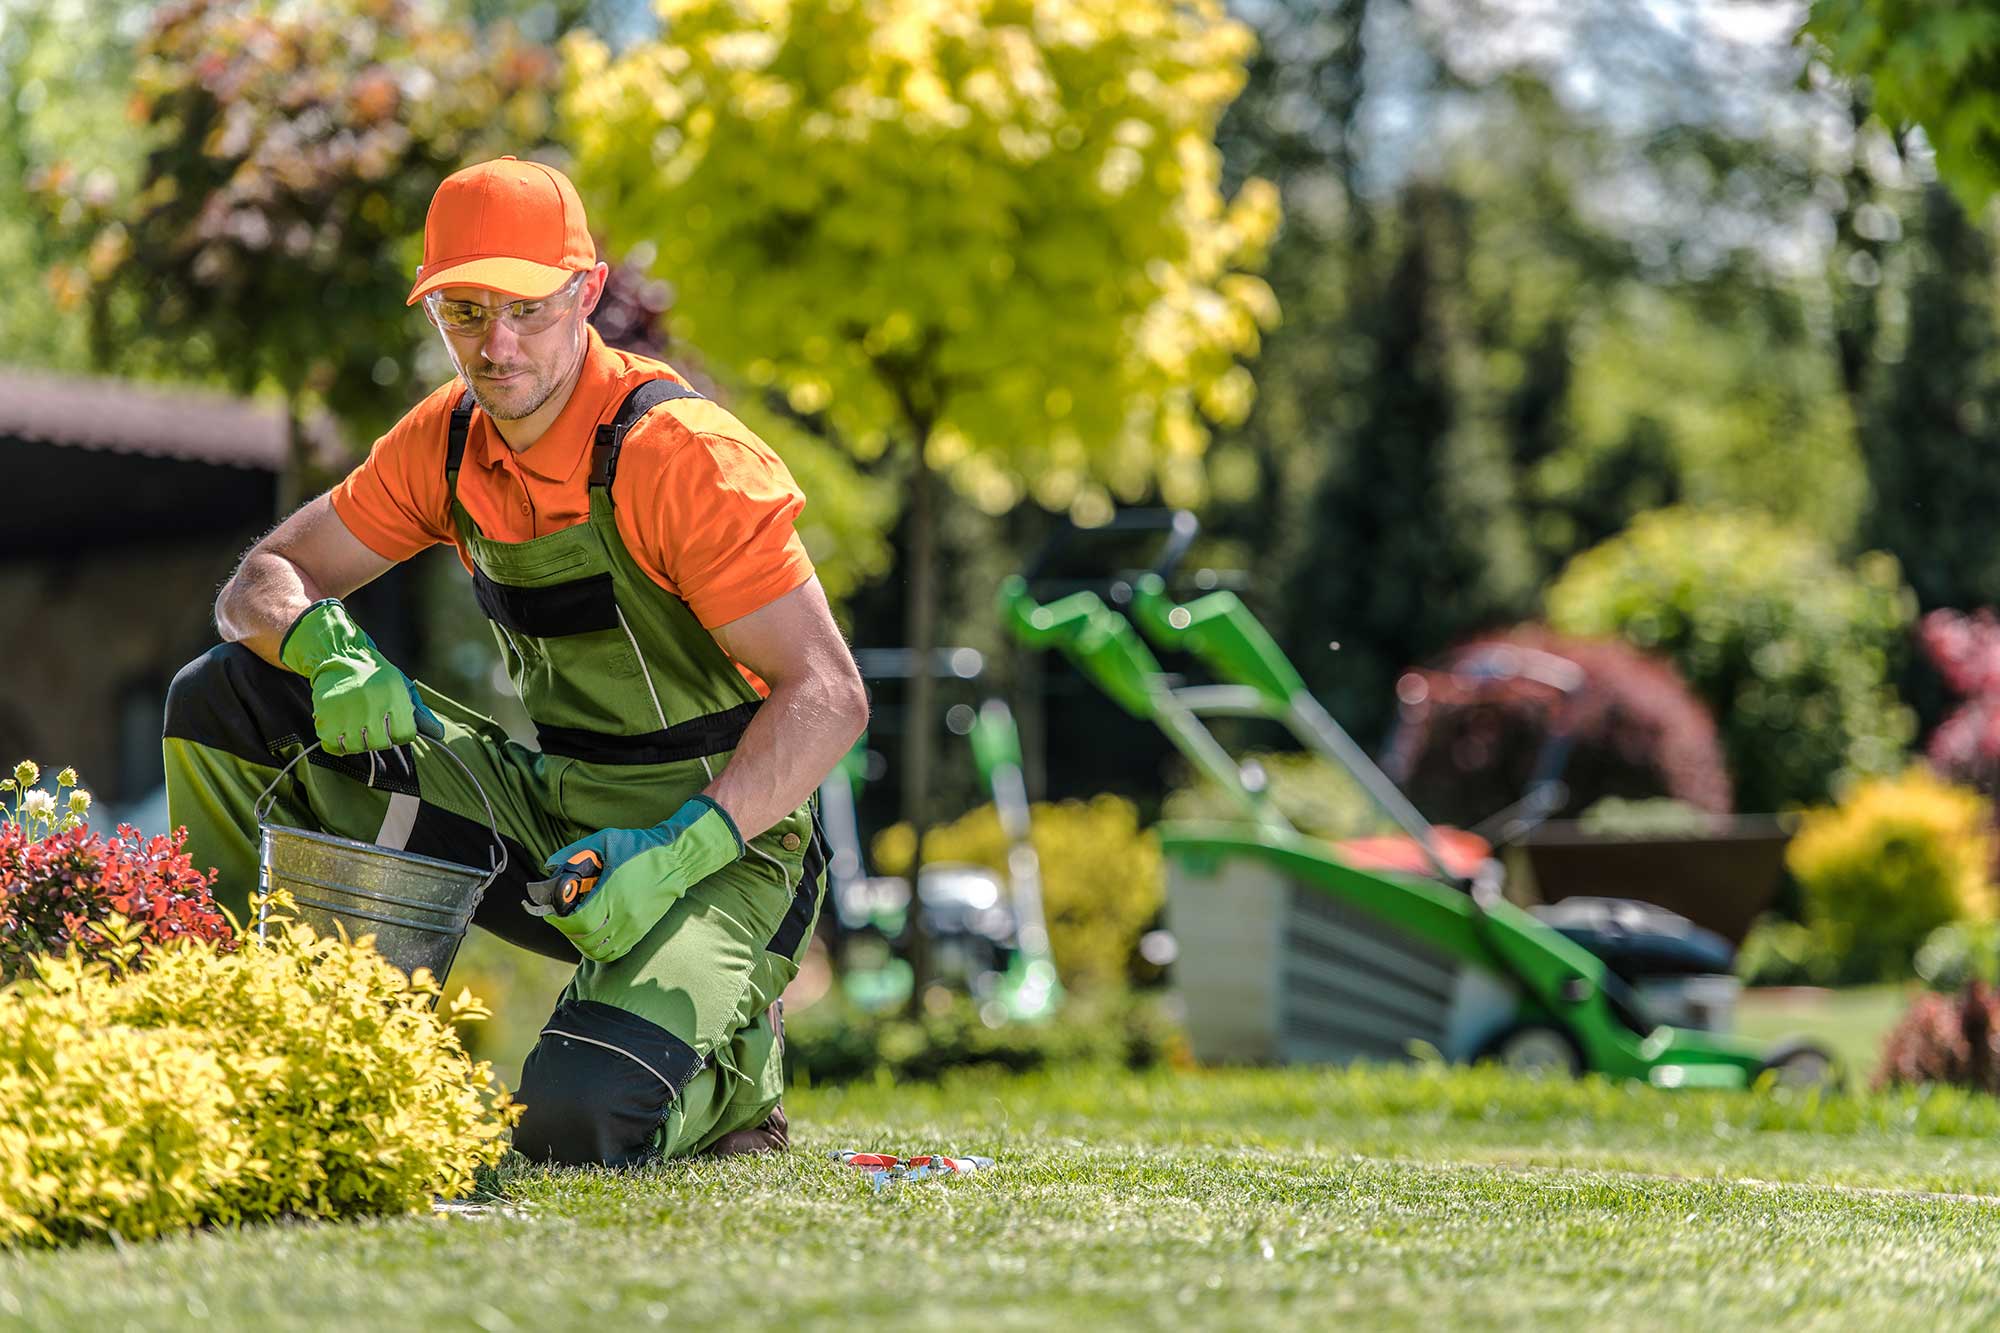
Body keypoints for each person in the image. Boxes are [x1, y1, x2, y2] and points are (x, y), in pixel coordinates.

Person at [161, 156, 870, 1166]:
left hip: (730, 843)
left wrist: (677, 849)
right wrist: (326, 648)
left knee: (574, 1124)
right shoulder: (443, 444)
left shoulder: (683, 457)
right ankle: (250, 1040)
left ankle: (734, 1076)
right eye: (463, 310)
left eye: (527, 309)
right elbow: (260, 581)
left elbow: (830, 696)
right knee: (227, 698)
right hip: (557, 814)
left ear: (586, 293)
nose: (494, 345)